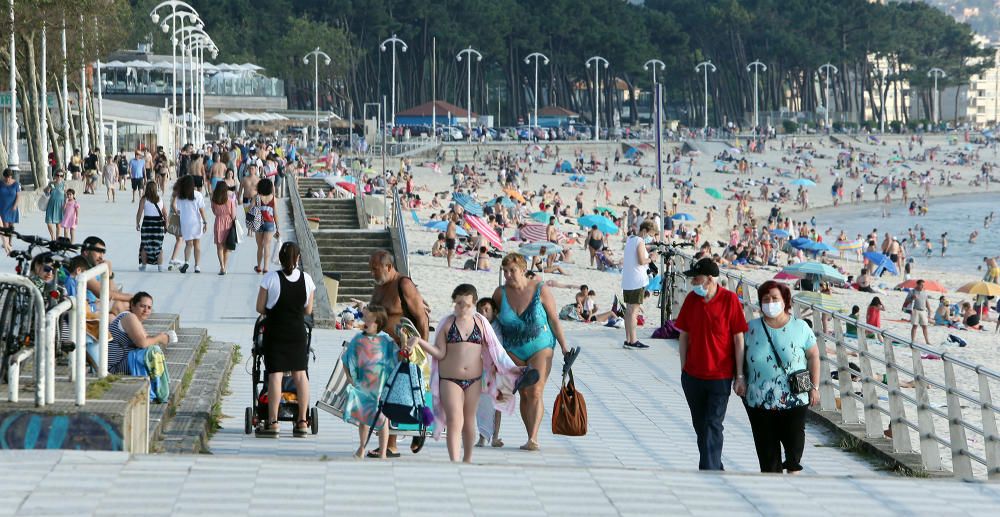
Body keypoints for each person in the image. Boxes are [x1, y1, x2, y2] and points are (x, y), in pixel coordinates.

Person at [674, 257, 748, 471]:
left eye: (697, 279)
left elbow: (738, 338)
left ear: (710, 279)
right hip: (693, 376)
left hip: (720, 376)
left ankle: (710, 469)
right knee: (700, 426)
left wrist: (740, 375)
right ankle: (714, 463)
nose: (694, 284)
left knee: (713, 424)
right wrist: (683, 368)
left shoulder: (730, 300)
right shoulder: (691, 300)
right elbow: (684, 335)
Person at [492, 253, 571, 451]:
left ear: (523, 269)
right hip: (512, 349)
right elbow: (491, 323)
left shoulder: (540, 289)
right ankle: (528, 434)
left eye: (512, 271)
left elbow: (553, 319)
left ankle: (533, 438)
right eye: (505, 271)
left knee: (535, 390)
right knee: (524, 393)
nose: (508, 275)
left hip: (540, 346)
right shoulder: (500, 294)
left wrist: (564, 346)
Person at [742, 280, 820, 473]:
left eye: (775, 298)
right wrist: (739, 378)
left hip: (794, 397)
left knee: (794, 443)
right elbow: (738, 355)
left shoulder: (800, 327)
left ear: (785, 300)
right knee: (767, 452)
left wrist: (814, 387)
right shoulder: (750, 328)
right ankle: (773, 485)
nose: (770, 303)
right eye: (765, 299)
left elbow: (813, 356)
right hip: (759, 399)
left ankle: (793, 470)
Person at [367, 249, 430, 457]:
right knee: (387, 396)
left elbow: (422, 318)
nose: (372, 273)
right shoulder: (379, 286)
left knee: (403, 394)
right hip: (382, 350)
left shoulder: (403, 284)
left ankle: (402, 437)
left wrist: (422, 351)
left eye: (375, 269)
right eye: (371, 269)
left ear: (388, 266)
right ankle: (391, 442)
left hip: (404, 348)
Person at [254, 242, 316, 438]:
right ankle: (302, 420)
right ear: (297, 258)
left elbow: (260, 307)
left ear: (280, 258)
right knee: (300, 375)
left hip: (276, 331)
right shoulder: (307, 280)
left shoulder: (270, 278)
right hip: (297, 332)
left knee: (275, 375)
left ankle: (273, 422)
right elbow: (308, 310)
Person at [342, 304, 400, 458]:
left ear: (379, 323)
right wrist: (350, 378)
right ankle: (362, 447)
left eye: (370, 319)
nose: (365, 322)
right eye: (364, 318)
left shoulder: (386, 340)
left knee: (382, 419)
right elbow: (347, 359)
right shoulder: (358, 339)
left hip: (381, 386)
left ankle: (382, 451)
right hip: (364, 385)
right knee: (363, 418)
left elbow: (396, 358)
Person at [107, 292, 176, 376]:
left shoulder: (135, 321)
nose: (146, 310)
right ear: (132, 305)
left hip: (121, 362)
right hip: (112, 367)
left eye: (149, 308)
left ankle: (156, 386)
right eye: (142, 306)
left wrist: (162, 338)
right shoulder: (129, 317)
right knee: (151, 353)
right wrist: (160, 338)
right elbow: (143, 343)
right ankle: (157, 387)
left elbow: (146, 341)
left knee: (153, 351)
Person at [621, 221, 658, 350]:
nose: (651, 237)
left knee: (628, 310)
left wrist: (648, 250)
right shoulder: (640, 241)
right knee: (633, 311)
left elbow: (636, 253)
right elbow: (642, 260)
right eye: (651, 234)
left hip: (628, 280)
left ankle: (628, 339)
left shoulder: (631, 239)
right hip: (637, 280)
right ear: (645, 231)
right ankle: (633, 340)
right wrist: (652, 258)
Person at [174, 175, 207, 273]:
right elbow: (201, 210)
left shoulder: (181, 196)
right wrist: (205, 221)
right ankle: (197, 266)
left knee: (188, 244)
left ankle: (186, 261)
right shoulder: (197, 195)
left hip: (185, 222)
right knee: (197, 244)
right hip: (196, 222)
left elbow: (178, 210)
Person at [135, 181, 166, 272]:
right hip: (158, 224)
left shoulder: (144, 199)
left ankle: (144, 266)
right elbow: (165, 213)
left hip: (147, 224)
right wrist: (166, 224)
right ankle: (160, 267)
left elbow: (139, 212)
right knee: (158, 246)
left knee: (145, 245)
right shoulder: (160, 199)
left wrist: (137, 223)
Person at [253, 178, 279, 274]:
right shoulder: (273, 198)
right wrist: (278, 228)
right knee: (267, 246)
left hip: (258, 223)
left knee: (260, 246)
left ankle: (259, 267)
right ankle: (266, 268)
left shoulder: (257, 197)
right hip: (269, 223)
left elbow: (251, 209)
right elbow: (275, 214)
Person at [211, 181, 237, 275]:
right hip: (228, 223)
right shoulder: (230, 201)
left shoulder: (214, 200)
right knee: (227, 247)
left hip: (218, 222)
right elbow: (233, 215)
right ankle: (224, 267)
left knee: (219, 246)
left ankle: (222, 266)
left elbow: (214, 212)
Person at [903, 279, 931, 345]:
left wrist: (929, 309)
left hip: (923, 311)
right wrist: (912, 298)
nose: (922, 286)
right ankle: (913, 341)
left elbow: (926, 301)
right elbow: (906, 301)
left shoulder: (924, 292)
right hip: (915, 310)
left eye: (923, 285)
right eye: (921, 285)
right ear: (918, 284)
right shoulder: (912, 291)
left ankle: (927, 341)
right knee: (915, 326)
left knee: (925, 326)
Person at [0, 168, 21, 254]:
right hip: (3, 207)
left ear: (11, 176)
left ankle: (10, 241)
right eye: (5, 177)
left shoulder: (16, 184)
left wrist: (15, 205)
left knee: (11, 226)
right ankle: (7, 242)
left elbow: (18, 196)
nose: (7, 179)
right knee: (5, 225)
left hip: (12, 207)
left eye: (8, 177)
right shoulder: (1, 183)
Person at [42, 170, 67, 240]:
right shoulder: (51, 183)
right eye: (58, 175)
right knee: (48, 222)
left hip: (60, 206)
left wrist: (66, 204)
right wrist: (48, 189)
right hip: (51, 205)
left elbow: (67, 195)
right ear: (55, 176)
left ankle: (57, 239)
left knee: (58, 225)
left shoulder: (64, 185)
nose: (59, 177)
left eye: (61, 176)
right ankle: (52, 236)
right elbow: (45, 191)